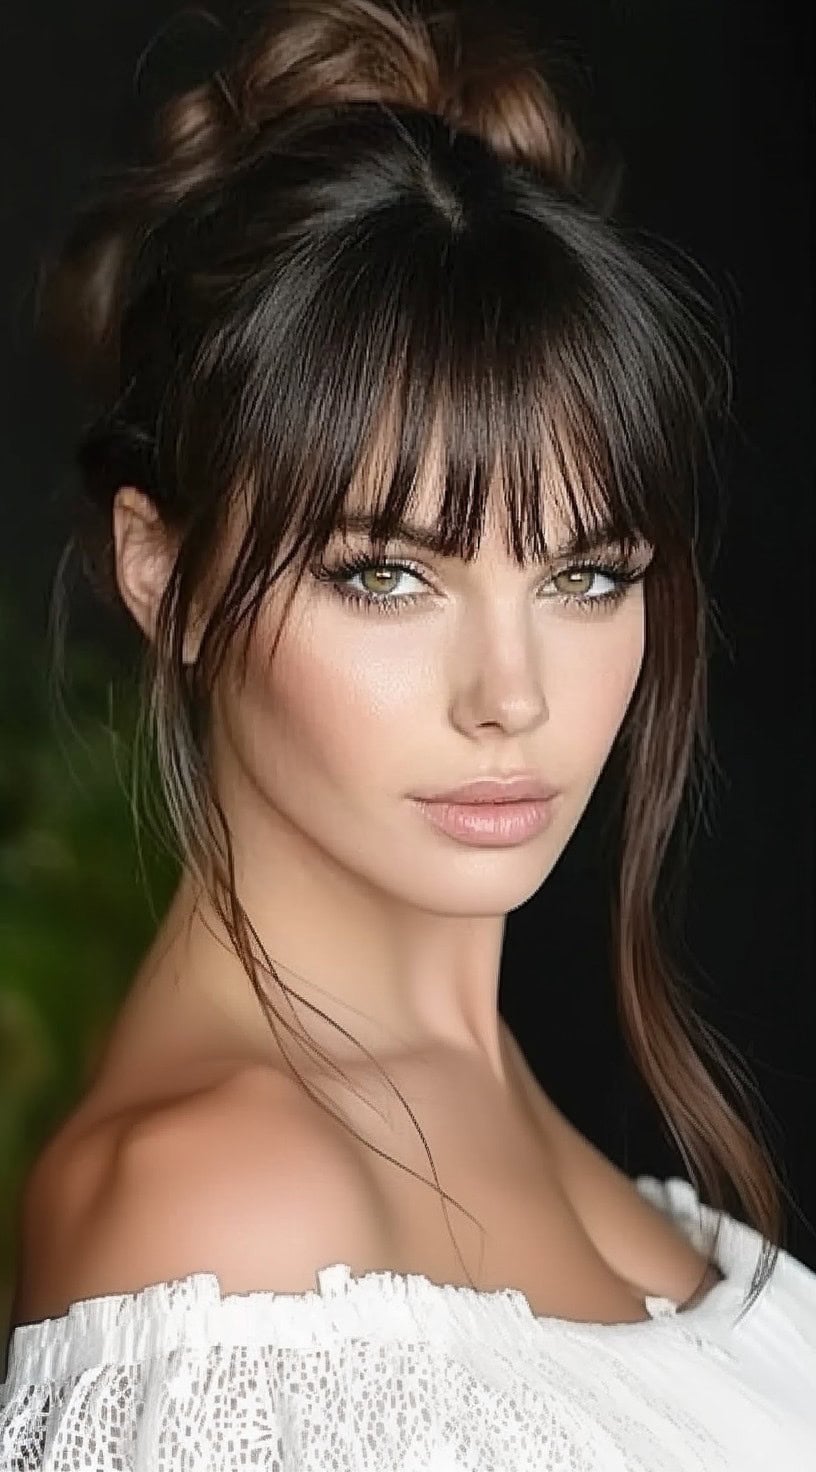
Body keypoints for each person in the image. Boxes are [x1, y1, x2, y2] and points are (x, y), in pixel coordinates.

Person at [1, 0, 814, 1465]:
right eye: (388, 574)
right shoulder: (223, 1220)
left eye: (585, 576)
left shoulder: (483, 1112)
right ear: (162, 574)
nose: (511, 692)